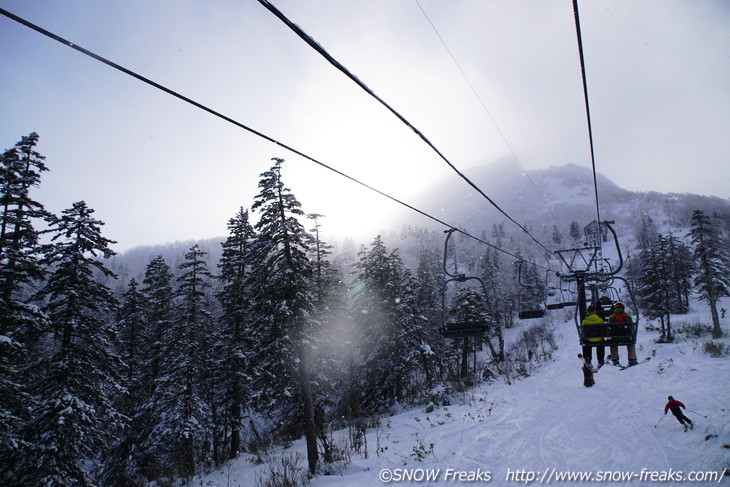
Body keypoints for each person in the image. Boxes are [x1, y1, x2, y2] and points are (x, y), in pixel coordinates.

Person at [606, 302, 638, 366]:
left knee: (613, 344)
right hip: (626, 337)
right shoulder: (627, 316)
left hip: (615, 338)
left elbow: (609, 326)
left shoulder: (612, 316)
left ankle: (615, 360)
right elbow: (631, 326)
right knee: (630, 343)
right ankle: (632, 359)